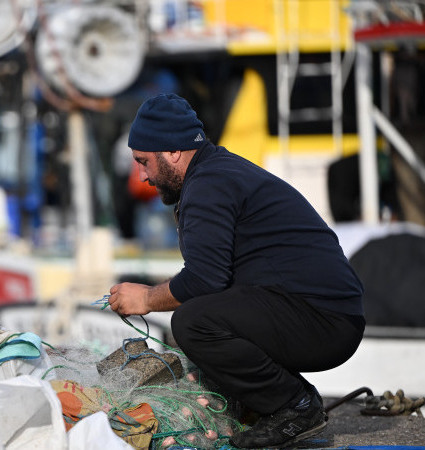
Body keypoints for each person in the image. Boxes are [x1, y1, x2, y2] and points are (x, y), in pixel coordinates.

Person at [107, 93, 365, 449]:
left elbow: (203, 279)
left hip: (325, 319)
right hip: (323, 312)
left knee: (192, 322)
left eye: (144, 161)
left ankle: (295, 406)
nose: (142, 175)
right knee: (205, 312)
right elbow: (217, 280)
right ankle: (277, 401)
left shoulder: (208, 186)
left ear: (172, 152)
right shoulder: (217, 171)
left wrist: (147, 298)